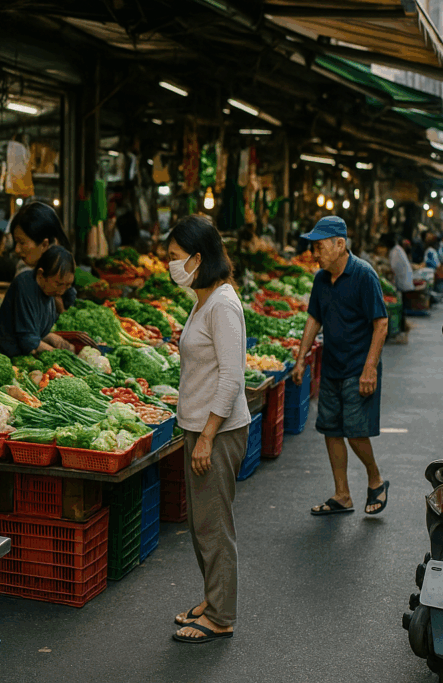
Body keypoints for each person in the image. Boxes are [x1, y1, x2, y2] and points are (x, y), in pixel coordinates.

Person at [166, 215, 250, 645]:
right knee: (203, 524)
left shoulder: (222, 304)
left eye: (175, 258)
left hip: (216, 434)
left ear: (198, 258)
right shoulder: (203, 300)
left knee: (214, 525)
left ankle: (221, 615)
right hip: (199, 428)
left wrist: (206, 436)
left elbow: (232, 378)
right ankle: (212, 598)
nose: (171, 265)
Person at [291, 216, 389, 517]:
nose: (314, 254)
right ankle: (342, 495)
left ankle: (375, 480)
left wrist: (369, 369)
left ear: (339, 244)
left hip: (358, 367)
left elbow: (381, 323)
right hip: (332, 366)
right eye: (313, 248)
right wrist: (301, 359)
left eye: (319, 247)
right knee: (331, 429)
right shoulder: (321, 279)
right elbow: (313, 319)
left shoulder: (364, 275)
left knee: (355, 431)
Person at [0, 246, 77, 357]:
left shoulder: (50, 292)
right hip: (5, 358)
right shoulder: (24, 286)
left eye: (67, 285)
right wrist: (61, 356)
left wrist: (51, 337)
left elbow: (35, 330)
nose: (62, 291)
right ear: (40, 274)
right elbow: (27, 339)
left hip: (24, 359)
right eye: (58, 284)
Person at [9, 201, 77, 308]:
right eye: (16, 242)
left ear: (45, 244)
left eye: (22, 242)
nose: (17, 250)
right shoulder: (25, 277)